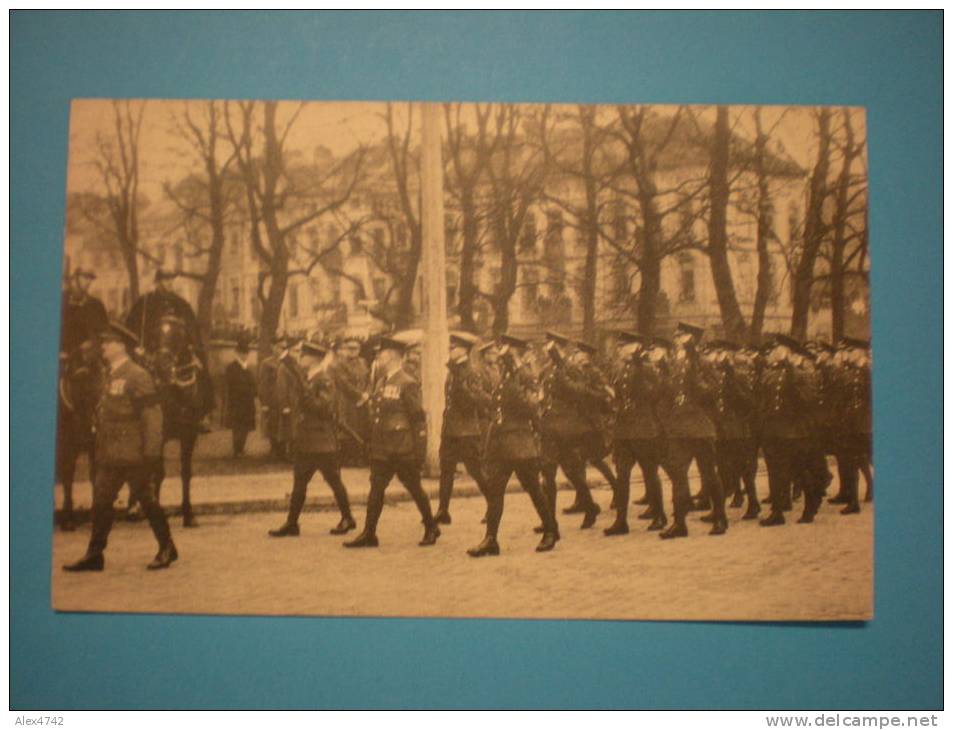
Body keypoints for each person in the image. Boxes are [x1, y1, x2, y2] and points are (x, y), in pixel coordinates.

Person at [62, 321, 177, 572]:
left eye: (108, 342)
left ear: (121, 346)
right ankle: (94, 555)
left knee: (147, 502)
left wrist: (151, 454)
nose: (102, 346)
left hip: (134, 454)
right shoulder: (110, 374)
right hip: (110, 454)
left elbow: (152, 416)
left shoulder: (137, 375)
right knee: (101, 502)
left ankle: (167, 547)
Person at [467, 334, 558, 557]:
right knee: (495, 491)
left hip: (520, 445)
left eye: (504, 350)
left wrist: (517, 388)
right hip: (501, 444)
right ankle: (491, 540)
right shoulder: (505, 376)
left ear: (514, 353)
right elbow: (497, 405)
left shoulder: (524, 376)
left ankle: (550, 530)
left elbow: (531, 407)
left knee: (534, 490)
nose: (499, 354)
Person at [344, 335, 439, 548]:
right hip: (382, 448)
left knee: (415, 488)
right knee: (376, 489)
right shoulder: (381, 381)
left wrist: (420, 453)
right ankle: (369, 533)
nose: (379, 357)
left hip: (402, 448)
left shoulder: (407, 383)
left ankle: (431, 526)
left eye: (382, 354)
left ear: (393, 357)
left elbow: (418, 420)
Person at [269, 340, 356, 537]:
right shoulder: (308, 378)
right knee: (299, 483)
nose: (300, 359)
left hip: (322, 441)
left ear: (314, 358)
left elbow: (322, 408)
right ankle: (292, 523)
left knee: (334, 481)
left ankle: (348, 518)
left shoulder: (324, 379)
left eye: (303, 356)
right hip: (307, 440)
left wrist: (304, 391)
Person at [655, 323, 728, 538]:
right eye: (676, 335)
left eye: (681, 336)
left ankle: (720, 517)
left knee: (709, 475)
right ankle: (679, 523)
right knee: (678, 475)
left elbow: (713, 392)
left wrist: (695, 378)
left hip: (699, 427)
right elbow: (668, 393)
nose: (677, 339)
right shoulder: (675, 364)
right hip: (679, 428)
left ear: (692, 339)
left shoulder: (703, 363)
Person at [124, 269, 215, 429]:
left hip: (177, 353)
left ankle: (201, 413)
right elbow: (130, 329)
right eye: (166, 280)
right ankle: (130, 410)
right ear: (158, 281)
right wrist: (137, 348)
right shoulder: (145, 303)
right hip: (150, 352)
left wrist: (193, 347)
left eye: (171, 279)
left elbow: (192, 329)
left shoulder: (181, 304)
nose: (169, 283)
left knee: (199, 369)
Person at [757, 334, 826, 526]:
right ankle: (777, 512)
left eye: (778, 349)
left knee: (800, 472)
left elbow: (807, 401)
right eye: (773, 349)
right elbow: (764, 401)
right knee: (776, 473)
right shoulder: (770, 373)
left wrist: (791, 373)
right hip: (774, 431)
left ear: (788, 352)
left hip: (795, 432)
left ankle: (810, 506)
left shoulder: (800, 374)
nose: (773, 353)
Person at [604, 332, 667, 535]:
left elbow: (655, 394)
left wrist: (640, 369)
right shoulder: (620, 368)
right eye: (620, 346)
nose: (619, 350)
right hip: (624, 429)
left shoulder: (647, 368)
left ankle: (659, 515)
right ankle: (621, 521)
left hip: (643, 427)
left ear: (635, 347)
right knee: (622, 475)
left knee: (650, 473)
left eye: (624, 346)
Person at [538, 332, 601, 529]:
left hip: (566, 427)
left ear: (560, 348)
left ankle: (589, 506)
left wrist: (564, 379)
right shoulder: (547, 369)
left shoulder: (571, 367)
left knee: (572, 472)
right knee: (548, 473)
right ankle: (550, 521)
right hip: (549, 425)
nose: (546, 348)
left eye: (550, 345)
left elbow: (581, 391)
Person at [434, 331, 492, 525]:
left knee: (475, 470)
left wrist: (463, 389)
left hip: (467, 430)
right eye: (450, 347)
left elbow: (477, 400)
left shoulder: (470, 371)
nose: (450, 350)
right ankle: (443, 510)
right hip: (451, 428)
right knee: (446, 469)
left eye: (454, 347)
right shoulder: (454, 370)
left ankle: (493, 505)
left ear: (464, 350)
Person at [830, 337, 872, 515]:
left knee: (869, 458)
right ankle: (854, 501)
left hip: (865, 423)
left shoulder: (869, 370)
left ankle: (873, 487)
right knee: (852, 461)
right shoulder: (849, 371)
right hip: (851, 423)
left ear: (861, 352)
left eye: (852, 351)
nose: (848, 355)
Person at [328, 335, 370, 466]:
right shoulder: (337, 365)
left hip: (362, 400)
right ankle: (348, 458)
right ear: (345, 349)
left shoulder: (363, 362)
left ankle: (360, 457)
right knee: (347, 428)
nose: (353, 351)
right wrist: (359, 395)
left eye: (356, 348)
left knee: (362, 428)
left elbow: (368, 379)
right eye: (349, 348)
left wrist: (367, 394)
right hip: (347, 401)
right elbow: (343, 383)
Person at [60, 268, 108, 356]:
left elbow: (103, 332)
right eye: (85, 277)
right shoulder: (62, 301)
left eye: (91, 279)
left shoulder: (95, 304)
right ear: (74, 279)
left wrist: (93, 342)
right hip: (64, 356)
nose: (89, 282)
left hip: (88, 357)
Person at [223, 333, 257, 457]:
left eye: (246, 353)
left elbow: (253, 384)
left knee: (245, 427)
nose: (244, 356)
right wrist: (248, 389)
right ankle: (237, 449)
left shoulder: (248, 368)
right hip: (237, 402)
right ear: (237, 353)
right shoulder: (231, 368)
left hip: (247, 402)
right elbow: (233, 385)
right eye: (242, 353)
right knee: (238, 427)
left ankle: (241, 448)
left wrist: (254, 391)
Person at [275, 335, 303, 461]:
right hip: (290, 402)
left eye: (299, 351)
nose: (298, 353)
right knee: (290, 429)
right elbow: (281, 387)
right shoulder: (284, 366)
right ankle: (289, 454)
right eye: (295, 350)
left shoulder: (296, 364)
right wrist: (284, 405)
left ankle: (295, 453)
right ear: (289, 351)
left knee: (297, 429)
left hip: (298, 401)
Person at [258, 335, 285, 459]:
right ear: (273, 347)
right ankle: (275, 449)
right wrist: (264, 402)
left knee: (284, 424)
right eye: (279, 347)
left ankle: (283, 450)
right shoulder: (266, 363)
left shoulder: (287, 362)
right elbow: (263, 384)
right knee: (273, 424)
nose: (282, 350)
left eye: (284, 347)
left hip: (284, 398)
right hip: (272, 399)